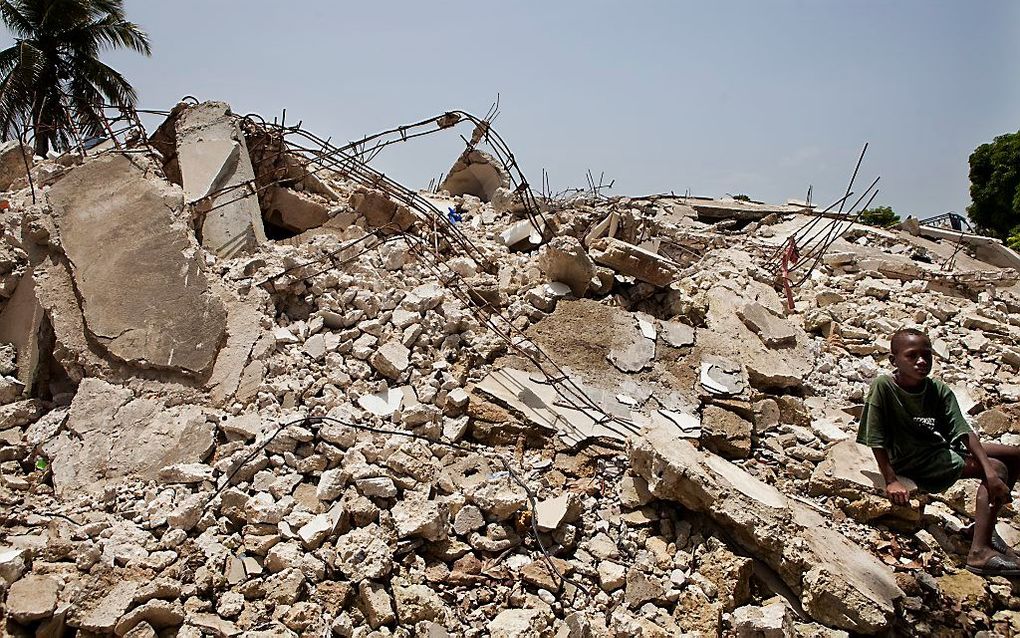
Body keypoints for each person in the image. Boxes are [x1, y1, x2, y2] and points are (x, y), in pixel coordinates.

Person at [857, 327, 1020, 576]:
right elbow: (875, 438)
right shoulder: (884, 387)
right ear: (894, 360)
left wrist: (989, 474)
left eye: (927, 355)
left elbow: (963, 432)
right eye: (912, 356)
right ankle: (979, 553)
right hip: (913, 461)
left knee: (1013, 456)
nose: (922, 362)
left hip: (936, 449)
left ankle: (982, 528)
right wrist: (890, 480)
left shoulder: (937, 389)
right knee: (997, 468)